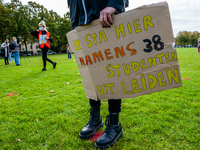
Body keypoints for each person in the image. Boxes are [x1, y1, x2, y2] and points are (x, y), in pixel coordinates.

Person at [67, 0, 128, 149]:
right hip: (81, 22)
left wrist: (114, 4)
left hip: (105, 17)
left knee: (112, 70)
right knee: (89, 72)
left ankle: (114, 123)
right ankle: (96, 118)